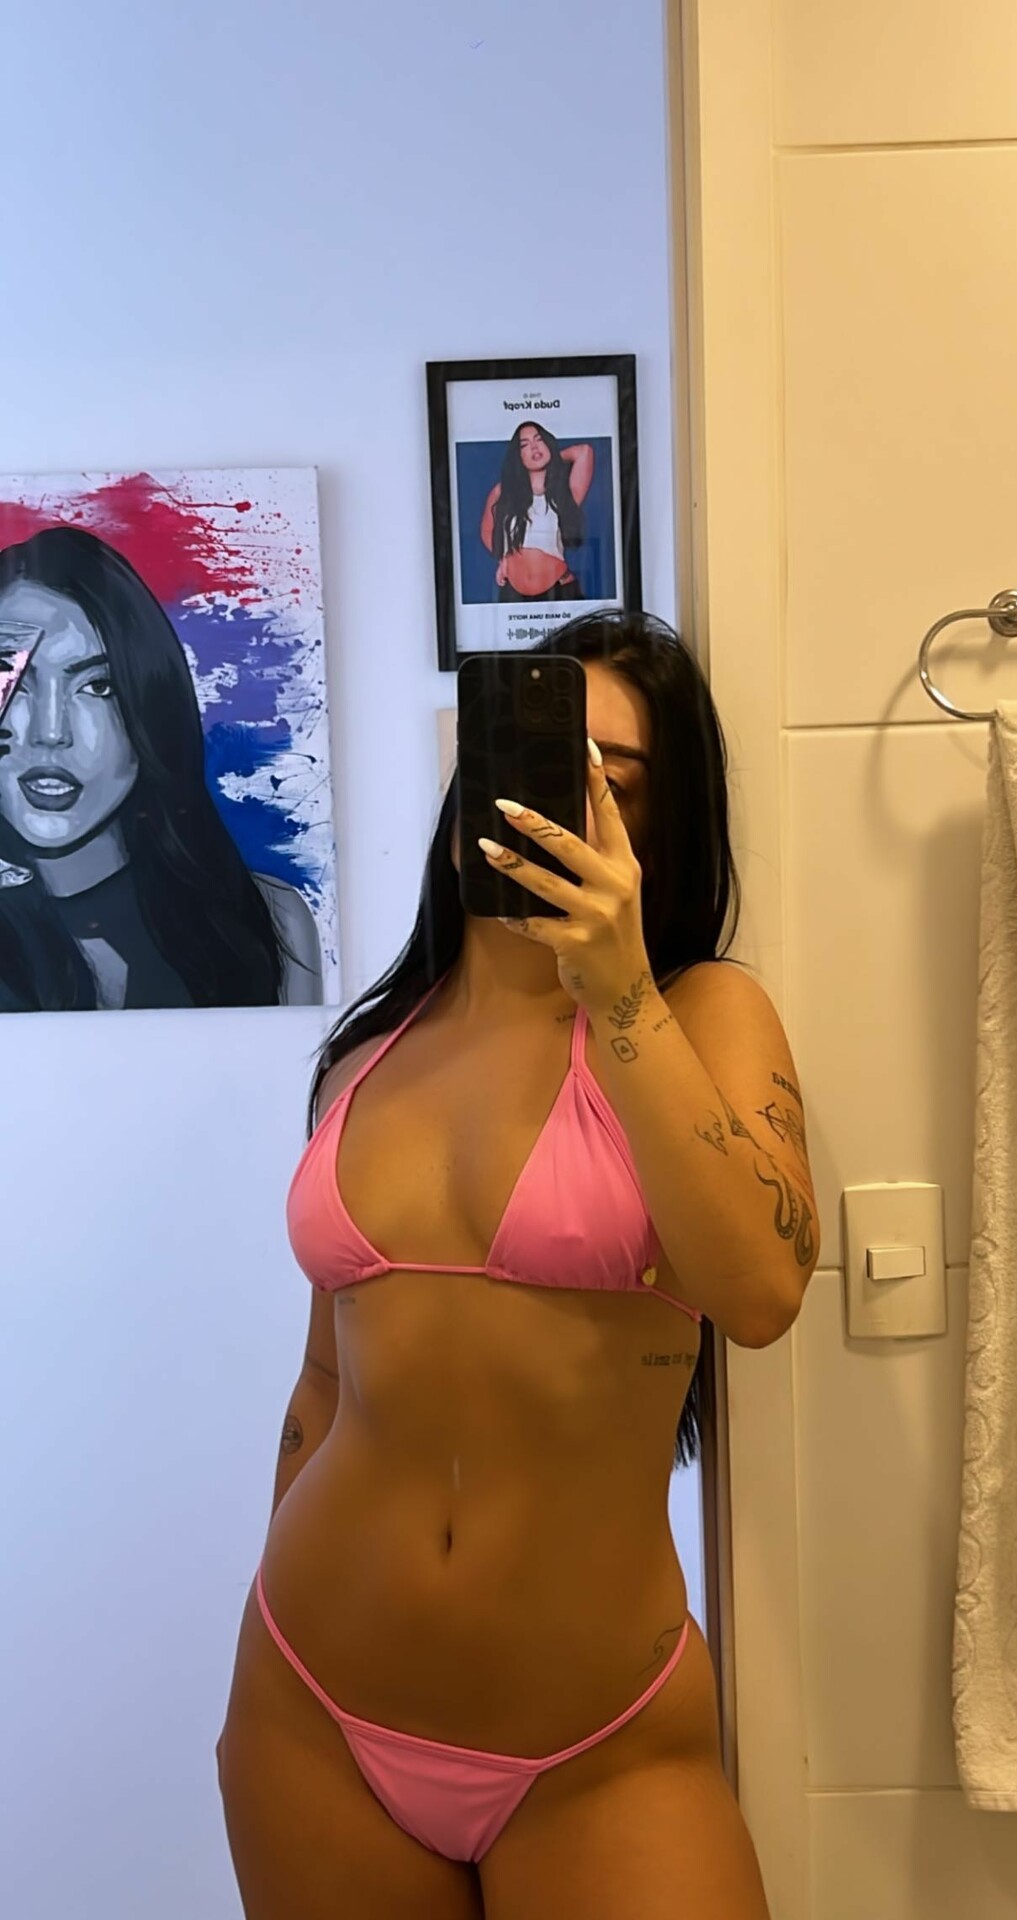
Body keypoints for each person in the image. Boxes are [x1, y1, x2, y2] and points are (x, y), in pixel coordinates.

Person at [217, 611, 820, 1919]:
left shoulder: (704, 1013)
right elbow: (325, 1381)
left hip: (597, 1741)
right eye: (539, 757)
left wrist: (618, 988)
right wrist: (272, 1578)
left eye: (616, 780)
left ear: (663, 826)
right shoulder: (372, 1049)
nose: (564, 800)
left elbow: (763, 1295)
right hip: (311, 1701)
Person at [0, 525, 322, 1011]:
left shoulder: (271, 921)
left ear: (150, 706)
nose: (50, 732)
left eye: (98, 687)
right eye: (16, 680)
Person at [480, 420, 595, 603]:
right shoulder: (504, 492)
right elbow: (487, 531)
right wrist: (504, 559)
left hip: (559, 591)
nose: (534, 447)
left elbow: (584, 451)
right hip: (513, 594)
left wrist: (552, 459)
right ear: (518, 455)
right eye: (525, 445)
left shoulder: (565, 494)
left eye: (539, 440)